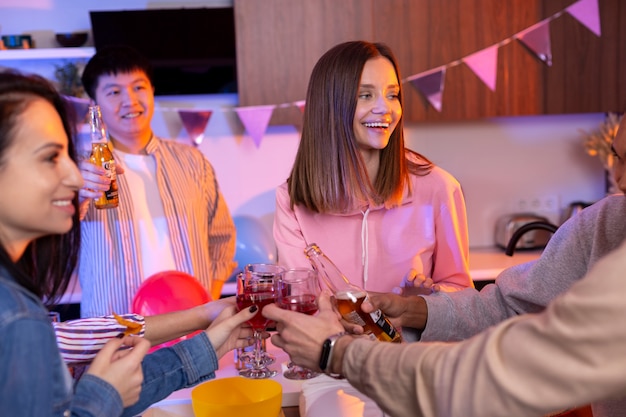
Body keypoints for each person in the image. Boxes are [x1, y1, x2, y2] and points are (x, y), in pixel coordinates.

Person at [0, 69, 256, 416]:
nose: (73, 176)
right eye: (50, 157)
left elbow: (72, 338)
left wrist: (202, 318)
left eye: (138, 87)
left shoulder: (20, 309)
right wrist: (103, 395)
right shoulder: (16, 317)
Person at [263, 237, 626, 417]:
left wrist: (336, 353)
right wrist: (417, 310)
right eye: (617, 158)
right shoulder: (603, 221)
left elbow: (489, 378)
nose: (619, 179)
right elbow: (510, 304)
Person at [273, 40, 471, 295]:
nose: (385, 108)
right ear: (329, 107)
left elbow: (463, 297)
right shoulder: (292, 200)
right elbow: (301, 305)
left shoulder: (440, 188)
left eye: (392, 95)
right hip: (327, 337)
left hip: (416, 338)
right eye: (365, 95)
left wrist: (421, 307)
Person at [78, 45, 236, 316]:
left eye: (138, 87)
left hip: (191, 331)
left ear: (152, 90)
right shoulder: (81, 169)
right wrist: (77, 193)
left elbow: (221, 238)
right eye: (114, 92)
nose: (130, 101)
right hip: (113, 332)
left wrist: (206, 299)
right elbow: (54, 242)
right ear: (95, 105)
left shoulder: (192, 162)